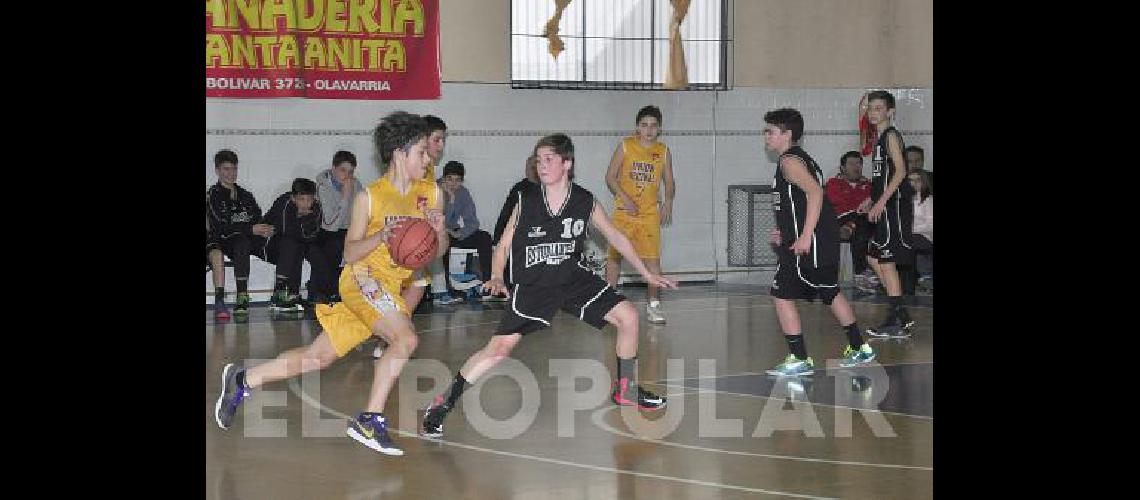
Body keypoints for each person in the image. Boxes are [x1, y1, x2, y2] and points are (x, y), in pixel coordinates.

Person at [214, 111, 448, 457]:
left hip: (389, 287)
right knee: (406, 337)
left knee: (317, 358)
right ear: (400, 153)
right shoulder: (370, 198)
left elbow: (435, 251)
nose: (429, 159)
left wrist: (438, 231)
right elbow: (350, 252)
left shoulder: (431, 193)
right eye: (421, 153)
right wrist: (382, 237)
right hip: (362, 279)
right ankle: (369, 420)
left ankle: (242, 379)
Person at [419, 133, 679, 438]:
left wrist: (646, 274)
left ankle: (626, 389)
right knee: (499, 350)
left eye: (548, 160)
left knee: (629, 317)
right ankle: (442, 404)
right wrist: (498, 275)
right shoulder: (526, 200)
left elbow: (616, 237)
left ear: (567, 164)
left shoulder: (583, 200)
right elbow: (502, 246)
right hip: (535, 285)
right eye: (538, 160)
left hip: (572, 277)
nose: (541, 166)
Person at [761, 108, 876, 377]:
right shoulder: (801, 159)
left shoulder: (790, 161)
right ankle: (860, 348)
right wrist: (786, 230)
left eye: (771, 131)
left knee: (781, 294)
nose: (766, 135)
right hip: (818, 237)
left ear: (787, 134)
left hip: (809, 240)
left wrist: (803, 236)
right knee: (830, 291)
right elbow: (797, 203)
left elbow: (815, 194)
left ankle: (799, 358)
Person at [604, 105, 675, 325]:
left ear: (659, 128)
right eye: (644, 125)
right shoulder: (626, 146)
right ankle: (608, 303)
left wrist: (668, 202)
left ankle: (653, 306)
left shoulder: (663, 151)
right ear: (637, 127)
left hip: (648, 215)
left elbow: (670, 182)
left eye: (653, 125)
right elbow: (610, 177)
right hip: (624, 213)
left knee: (653, 263)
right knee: (614, 259)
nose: (649, 130)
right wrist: (624, 198)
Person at [862, 90, 916, 337]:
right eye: (871, 107)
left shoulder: (891, 136)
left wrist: (881, 201)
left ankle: (896, 320)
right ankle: (900, 313)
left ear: (890, 111)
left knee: (886, 260)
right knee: (874, 258)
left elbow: (901, 171)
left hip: (893, 206)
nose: (873, 112)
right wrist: (870, 199)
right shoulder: (879, 138)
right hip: (885, 203)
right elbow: (882, 177)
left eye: (878, 108)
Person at [206, 149, 273, 320]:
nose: (231, 173)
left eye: (234, 169)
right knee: (238, 243)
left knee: (283, 241)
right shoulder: (213, 195)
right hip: (220, 240)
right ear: (217, 171)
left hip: (244, 240)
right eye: (226, 169)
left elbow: (257, 218)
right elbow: (220, 226)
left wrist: (267, 229)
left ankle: (284, 292)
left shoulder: (245, 195)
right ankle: (236, 297)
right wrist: (250, 229)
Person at [253, 178, 335, 312]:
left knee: (314, 252)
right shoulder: (284, 203)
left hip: (298, 242)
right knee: (292, 244)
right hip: (270, 243)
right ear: (293, 198)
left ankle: (319, 293)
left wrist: (302, 222)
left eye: (309, 199)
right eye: (301, 199)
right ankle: (279, 291)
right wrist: (303, 221)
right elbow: (284, 230)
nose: (306, 204)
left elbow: (312, 235)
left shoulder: (316, 207)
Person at [315, 150, 366, 303]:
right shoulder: (323, 187)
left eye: (351, 172)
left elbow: (362, 213)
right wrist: (345, 196)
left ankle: (355, 291)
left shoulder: (356, 185)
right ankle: (331, 292)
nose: (347, 176)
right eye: (343, 170)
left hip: (347, 230)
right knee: (336, 245)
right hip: (327, 231)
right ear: (333, 169)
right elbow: (330, 225)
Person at [825, 151, 877, 290]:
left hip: (864, 221)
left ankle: (877, 274)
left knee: (867, 223)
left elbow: (874, 204)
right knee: (859, 224)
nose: (856, 167)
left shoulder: (870, 185)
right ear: (842, 168)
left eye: (859, 163)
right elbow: (839, 204)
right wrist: (861, 206)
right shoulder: (834, 183)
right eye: (852, 163)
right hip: (841, 220)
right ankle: (861, 273)